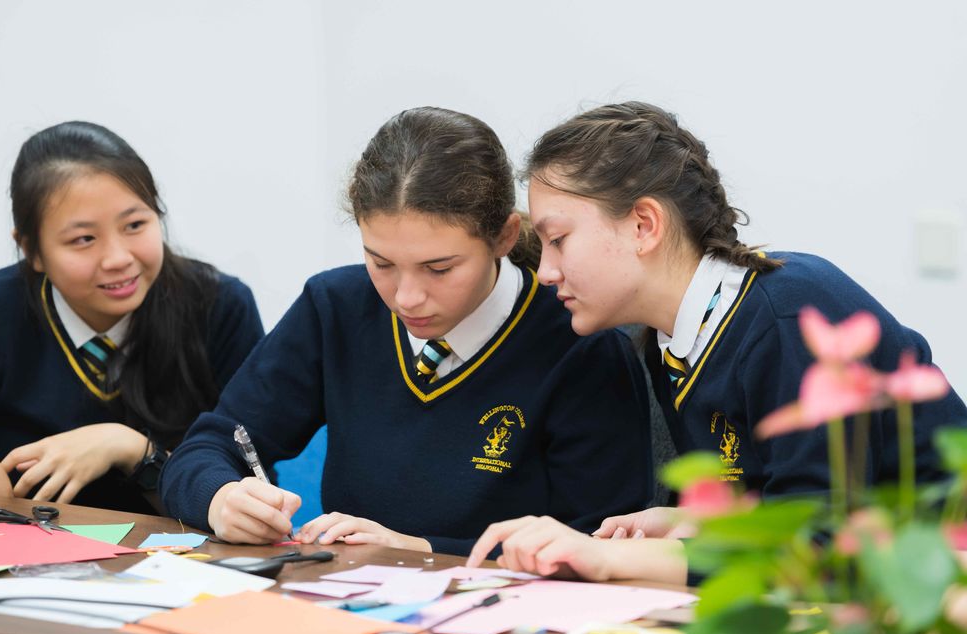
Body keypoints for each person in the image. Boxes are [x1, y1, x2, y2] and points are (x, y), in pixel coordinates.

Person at [468, 101, 967, 580]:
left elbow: (819, 547)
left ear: (644, 225)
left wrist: (612, 559)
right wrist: (693, 523)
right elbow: (771, 504)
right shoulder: (668, 342)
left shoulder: (788, 314)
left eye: (558, 240)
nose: (546, 271)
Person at [161, 107, 654, 555]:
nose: (406, 298)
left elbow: (598, 544)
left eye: (439, 269)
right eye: (381, 263)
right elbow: (206, 447)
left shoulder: (581, 346)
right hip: (342, 600)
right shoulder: (335, 307)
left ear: (503, 237)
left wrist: (418, 549)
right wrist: (219, 497)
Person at [0, 121, 263, 513]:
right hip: (24, 549)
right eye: (84, 239)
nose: (118, 259)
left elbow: (254, 484)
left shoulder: (219, 307)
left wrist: (132, 450)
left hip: (185, 551)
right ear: (31, 250)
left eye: (135, 225)